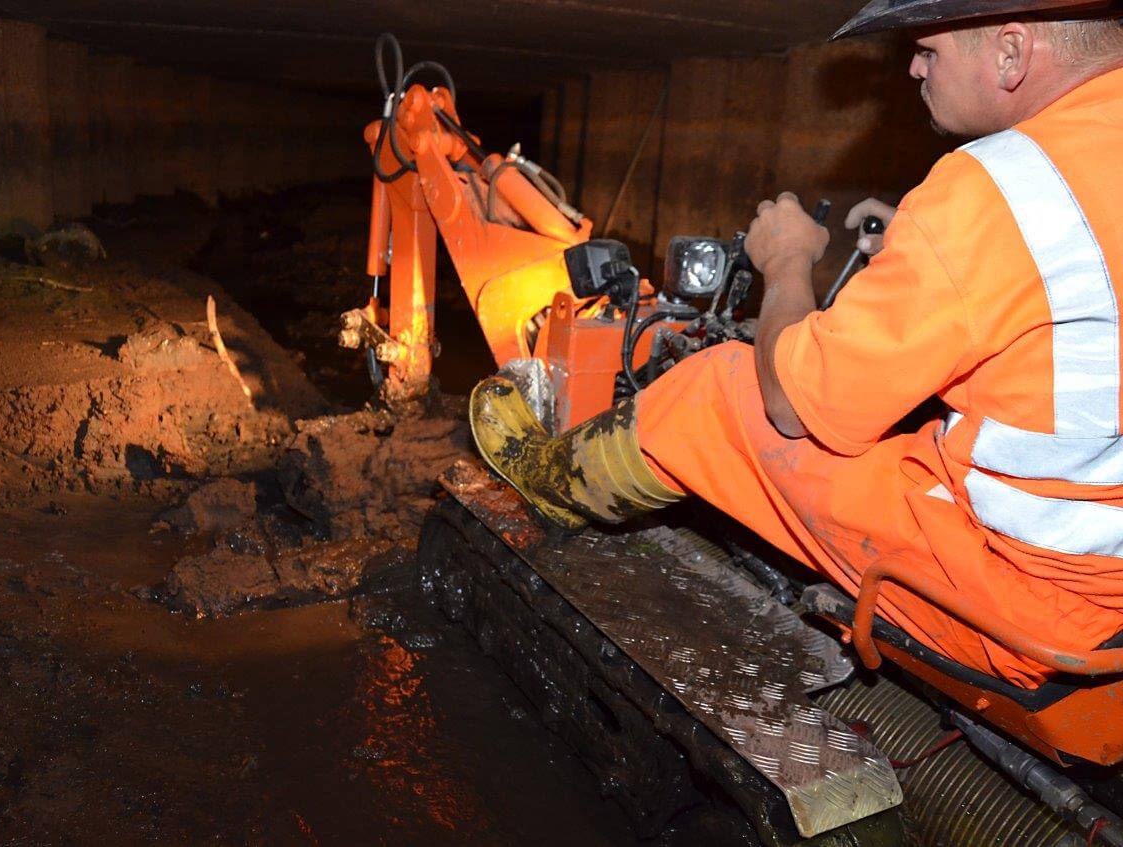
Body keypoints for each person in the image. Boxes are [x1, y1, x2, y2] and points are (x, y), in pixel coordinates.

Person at [469, 0, 1123, 689]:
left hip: (1043, 598)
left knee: (723, 384)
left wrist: (786, 263)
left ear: (1012, 54)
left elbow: (794, 405)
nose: (913, 66)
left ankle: (551, 482)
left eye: (928, 50)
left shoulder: (993, 190)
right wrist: (931, 250)